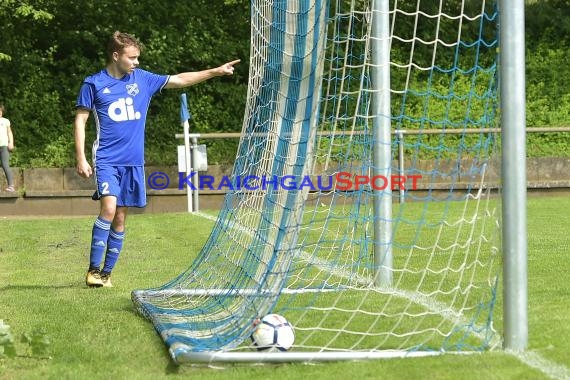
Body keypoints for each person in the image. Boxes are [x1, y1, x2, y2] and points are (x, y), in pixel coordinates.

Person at [74, 31, 239, 288]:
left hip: (134, 162)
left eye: (138, 57)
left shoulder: (143, 79)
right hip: (107, 160)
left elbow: (180, 79)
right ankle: (93, 270)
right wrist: (82, 157)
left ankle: (106, 274)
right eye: (132, 58)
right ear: (116, 56)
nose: (137, 62)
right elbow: (81, 120)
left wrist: (215, 72)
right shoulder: (93, 84)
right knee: (107, 209)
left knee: (120, 217)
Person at [0, 104, 15, 192]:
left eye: (0, 111)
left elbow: (9, 132)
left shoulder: (5, 121)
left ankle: (11, 186)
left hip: (4, 146)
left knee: (5, 165)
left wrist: (11, 142)